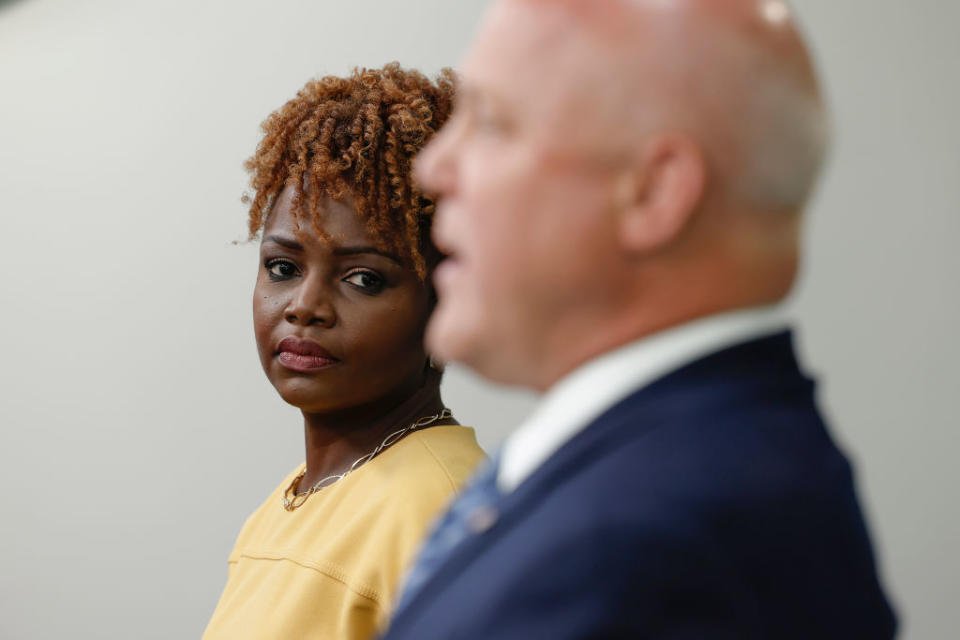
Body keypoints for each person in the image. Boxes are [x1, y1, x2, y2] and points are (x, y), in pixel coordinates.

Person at [382, 1, 897, 638]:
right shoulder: (701, 476)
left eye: (491, 122)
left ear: (654, 192)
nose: (432, 170)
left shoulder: (644, 550)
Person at [202, 63, 485, 640]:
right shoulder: (284, 508)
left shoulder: (440, 513)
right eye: (282, 267)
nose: (305, 306)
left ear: (447, 297)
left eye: (364, 279)